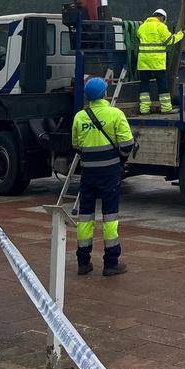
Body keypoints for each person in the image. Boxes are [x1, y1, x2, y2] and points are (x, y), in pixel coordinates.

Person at [71, 76, 134, 276]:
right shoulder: (115, 114)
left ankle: (83, 262)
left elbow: (76, 145)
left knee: (85, 217)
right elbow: (127, 144)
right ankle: (111, 263)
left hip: (88, 173)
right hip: (110, 173)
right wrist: (119, 159)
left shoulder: (80, 117)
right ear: (105, 94)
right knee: (110, 216)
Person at [135, 8, 185, 114]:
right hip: (156, 61)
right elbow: (170, 40)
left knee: (144, 84)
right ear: (162, 18)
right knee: (162, 84)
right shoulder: (161, 26)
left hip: (143, 60)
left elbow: (138, 36)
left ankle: (144, 109)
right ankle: (166, 108)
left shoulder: (142, 26)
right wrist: (181, 34)